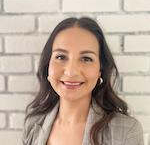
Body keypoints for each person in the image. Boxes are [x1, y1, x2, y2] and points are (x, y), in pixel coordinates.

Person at [22, 17, 144, 145]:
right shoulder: (33, 124)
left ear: (100, 70)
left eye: (86, 59)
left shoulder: (126, 131)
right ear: (48, 66)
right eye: (61, 57)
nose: (71, 72)